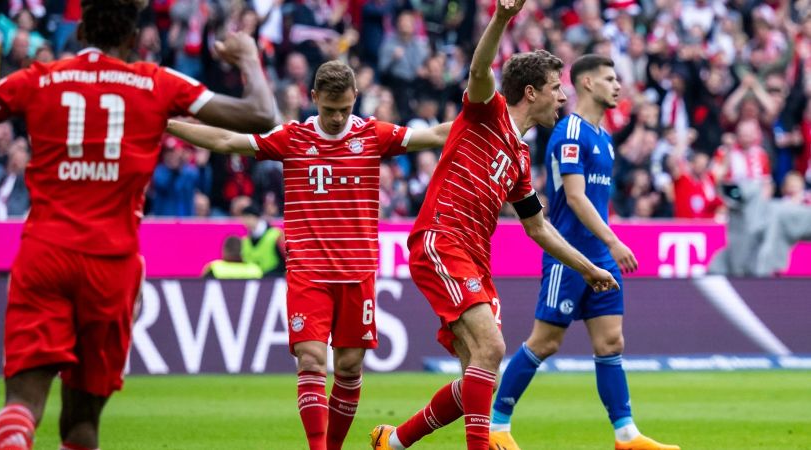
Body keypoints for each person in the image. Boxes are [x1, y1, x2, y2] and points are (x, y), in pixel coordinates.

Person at [0, 0, 276, 448]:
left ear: (81, 30)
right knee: (82, 422)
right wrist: (247, 56)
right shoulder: (156, 81)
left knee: (21, 403)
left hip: (45, 252)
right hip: (111, 265)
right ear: (133, 38)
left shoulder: (39, 78)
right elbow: (261, 116)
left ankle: (14, 433)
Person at [166, 59, 452, 450]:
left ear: (355, 99)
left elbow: (436, 135)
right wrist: (162, 122)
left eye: (344, 109)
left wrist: (500, 122)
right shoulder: (292, 137)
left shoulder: (371, 134)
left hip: (357, 273)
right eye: (329, 108)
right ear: (314, 97)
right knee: (312, 360)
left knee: (349, 369)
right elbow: (225, 142)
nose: (336, 118)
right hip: (309, 272)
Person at [369, 3, 619, 450]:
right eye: (555, 89)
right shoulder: (487, 112)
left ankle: (394, 442)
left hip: (476, 259)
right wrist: (502, 19)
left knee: (476, 380)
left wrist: (586, 268)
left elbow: (539, 228)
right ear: (530, 92)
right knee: (493, 347)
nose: (563, 98)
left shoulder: (522, 160)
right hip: (441, 239)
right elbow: (479, 67)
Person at [489, 55, 679, 450]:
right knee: (545, 343)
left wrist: (607, 247)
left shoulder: (604, 139)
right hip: (569, 256)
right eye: (610, 79)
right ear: (587, 83)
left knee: (611, 343)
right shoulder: (568, 132)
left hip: (602, 256)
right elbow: (574, 198)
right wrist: (613, 240)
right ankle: (497, 426)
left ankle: (626, 436)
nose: (617, 86)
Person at [239, 203, 286, 276]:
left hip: (273, 279)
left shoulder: (276, 235)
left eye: (248, 217)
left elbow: (285, 262)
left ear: (256, 217)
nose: (245, 222)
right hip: (253, 281)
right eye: (244, 218)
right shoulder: (245, 240)